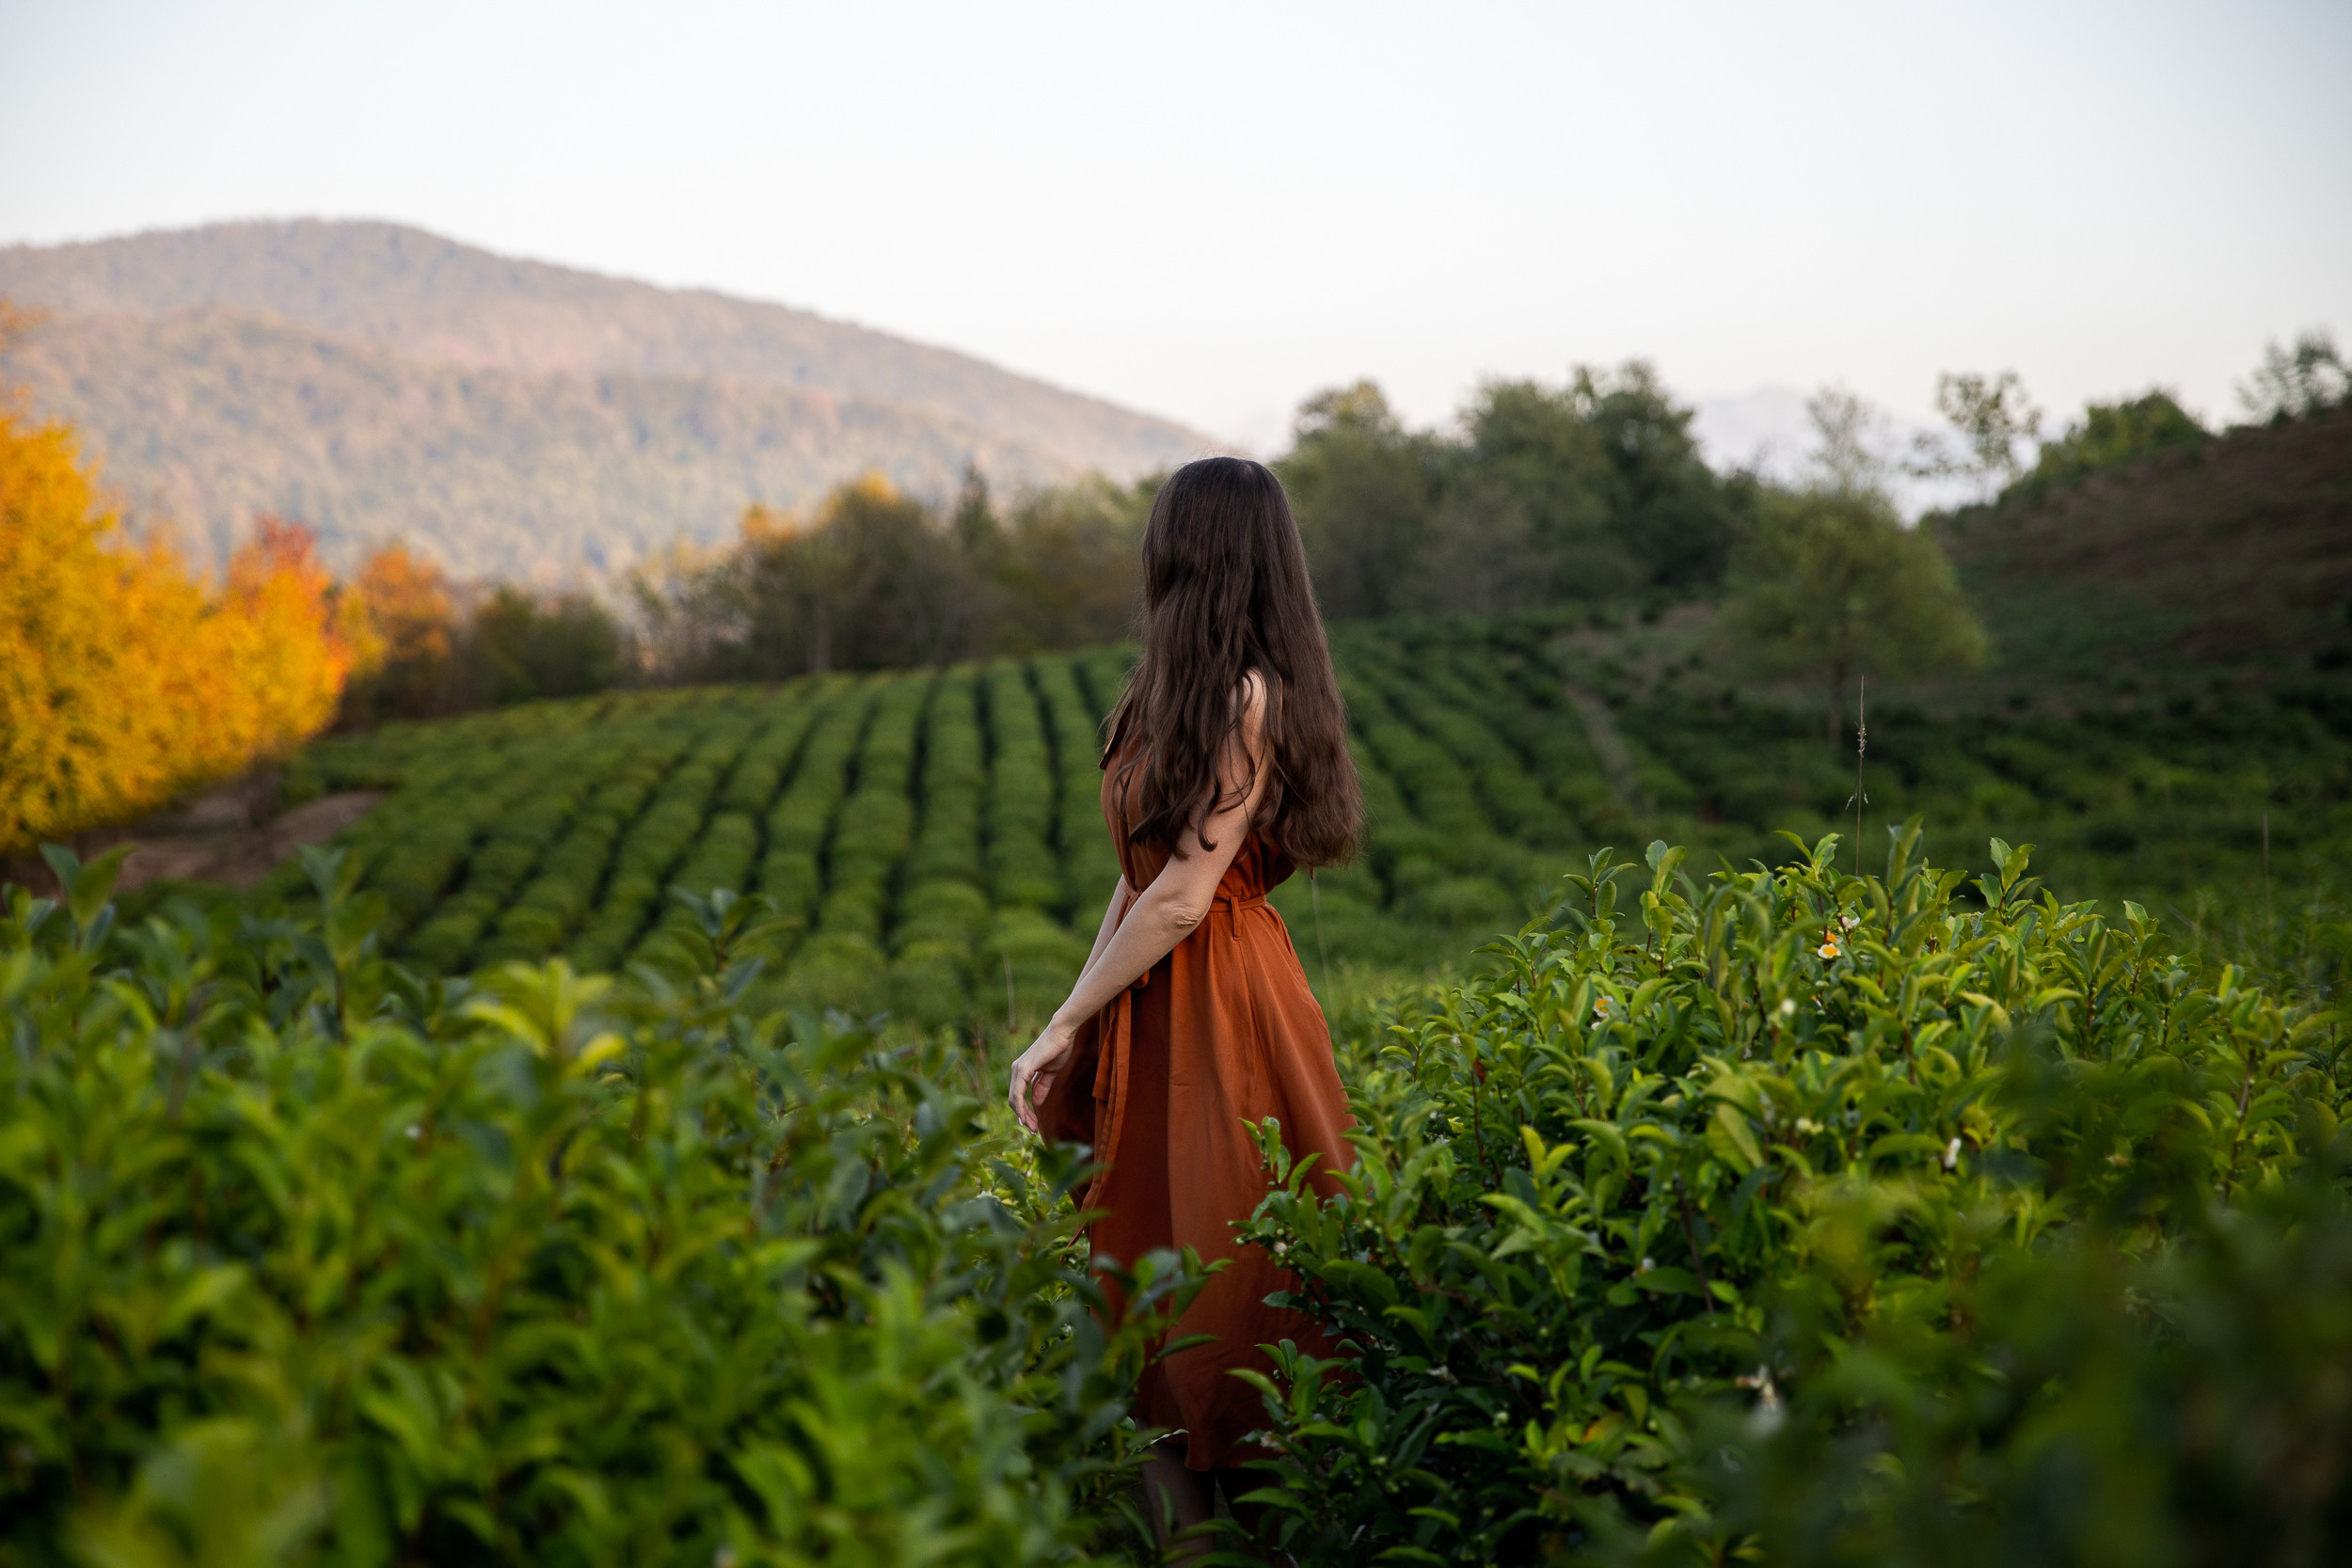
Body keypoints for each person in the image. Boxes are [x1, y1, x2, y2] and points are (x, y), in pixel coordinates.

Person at [1009, 454, 1364, 1557]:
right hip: (1156, 995)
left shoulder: (1248, 696)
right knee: (1145, 1288)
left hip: (1225, 1005)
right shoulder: (1160, 690)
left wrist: (1063, 1020)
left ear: (1194, 550)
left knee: (1228, 1281)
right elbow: (1137, 876)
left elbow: (1182, 897)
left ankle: (1263, 1537)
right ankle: (1186, 1545)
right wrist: (1075, 1011)